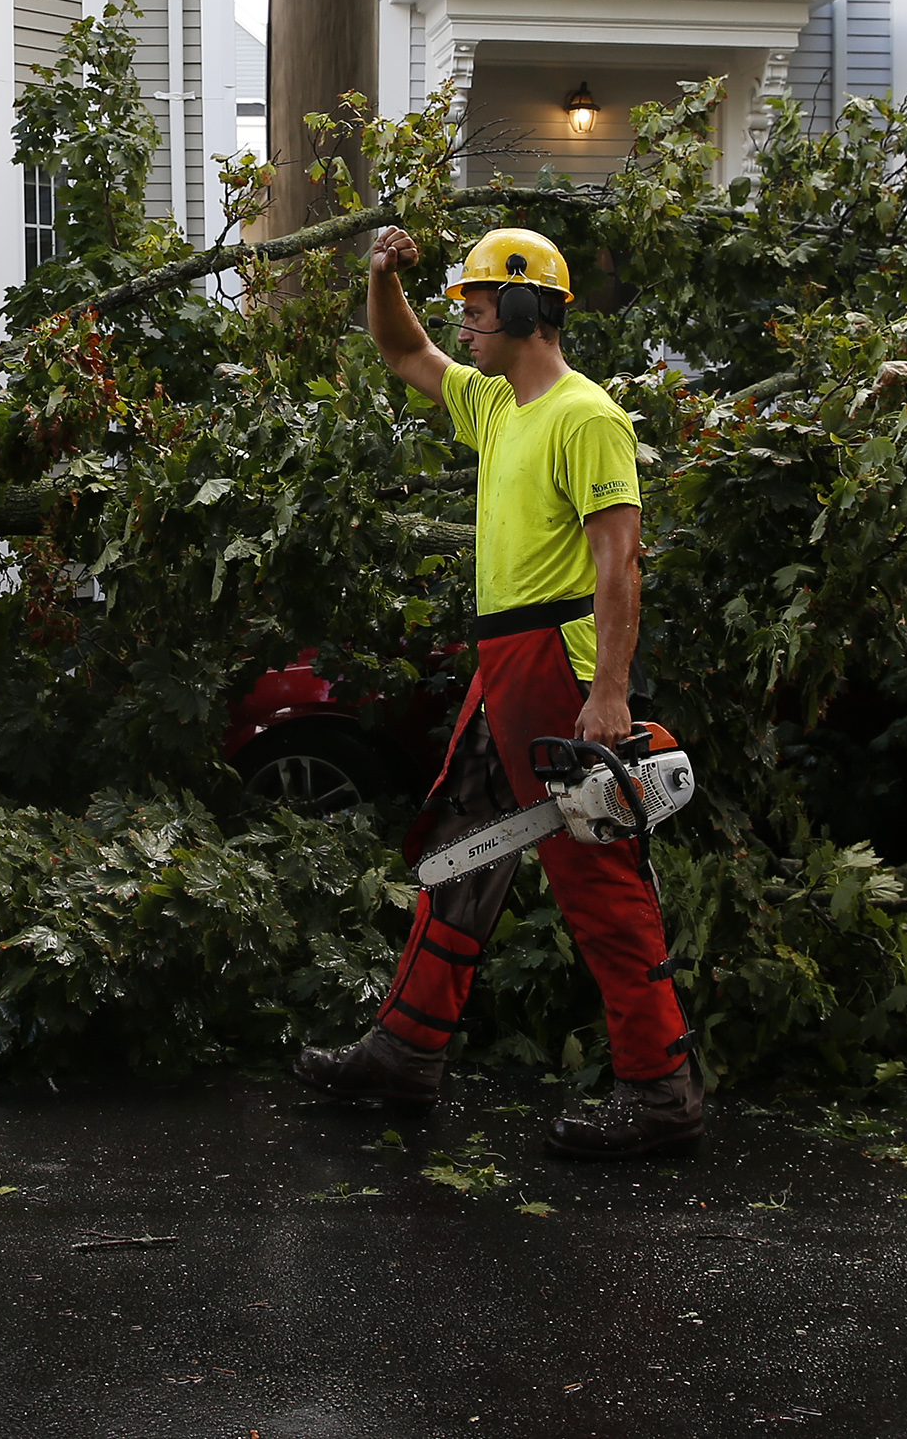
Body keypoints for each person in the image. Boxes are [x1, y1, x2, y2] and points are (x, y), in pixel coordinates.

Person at [292, 224, 708, 1159]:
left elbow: (620, 564)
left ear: (524, 308)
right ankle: (405, 1050)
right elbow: (402, 348)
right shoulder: (494, 407)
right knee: (461, 850)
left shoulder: (584, 415)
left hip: (559, 670)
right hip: (502, 666)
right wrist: (379, 273)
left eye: (477, 312)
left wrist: (610, 691)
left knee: (597, 875)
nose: (467, 329)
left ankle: (661, 1091)